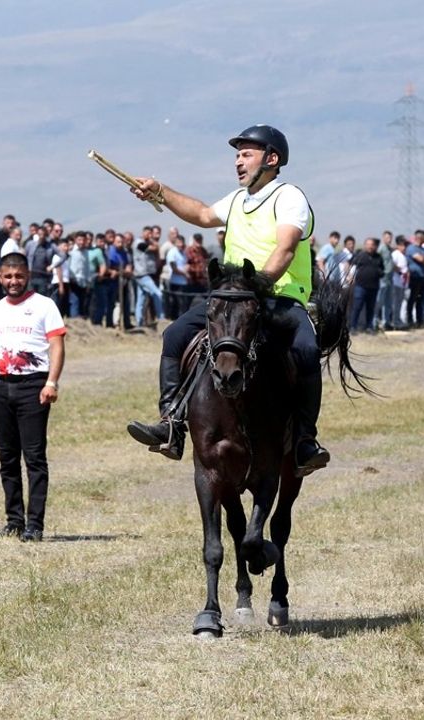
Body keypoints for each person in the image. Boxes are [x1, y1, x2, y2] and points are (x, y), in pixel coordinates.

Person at [124, 124, 328, 476]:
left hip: (279, 299)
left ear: (272, 159)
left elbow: (285, 248)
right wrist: (159, 191)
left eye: (246, 154)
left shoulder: (289, 197)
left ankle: (304, 441)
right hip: (234, 300)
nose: (238, 161)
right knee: (174, 335)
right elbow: (202, 214)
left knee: (307, 350)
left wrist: (258, 287)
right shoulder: (237, 200)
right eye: (236, 154)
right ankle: (171, 424)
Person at [0, 252, 65, 542]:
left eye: (19, 276)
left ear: (28, 276)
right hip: (0, 387)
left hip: (33, 387)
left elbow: (57, 347)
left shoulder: (44, 306)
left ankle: (34, 524)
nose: (14, 281)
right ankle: (14, 520)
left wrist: (52, 382)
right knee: (7, 457)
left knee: (34, 457)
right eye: (8, 276)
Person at [350, 237, 382, 332]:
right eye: (368, 244)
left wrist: (379, 273)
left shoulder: (378, 257)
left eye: (372, 245)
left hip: (373, 287)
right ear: (365, 245)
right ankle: (353, 326)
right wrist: (350, 278)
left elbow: (382, 269)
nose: (370, 246)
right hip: (360, 286)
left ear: (375, 246)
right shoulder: (360, 256)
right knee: (357, 307)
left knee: (370, 308)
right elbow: (352, 267)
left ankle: (369, 327)